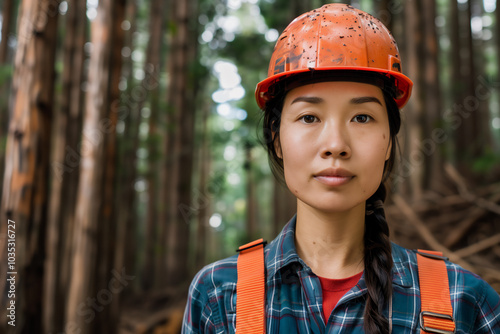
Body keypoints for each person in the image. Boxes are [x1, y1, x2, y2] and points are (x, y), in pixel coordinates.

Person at [182, 3, 500, 333]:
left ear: (389, 141)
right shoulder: (219, 296)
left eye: (361, 117)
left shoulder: (463, 300)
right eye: (309, 117)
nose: (335, 144)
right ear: (276, 140)